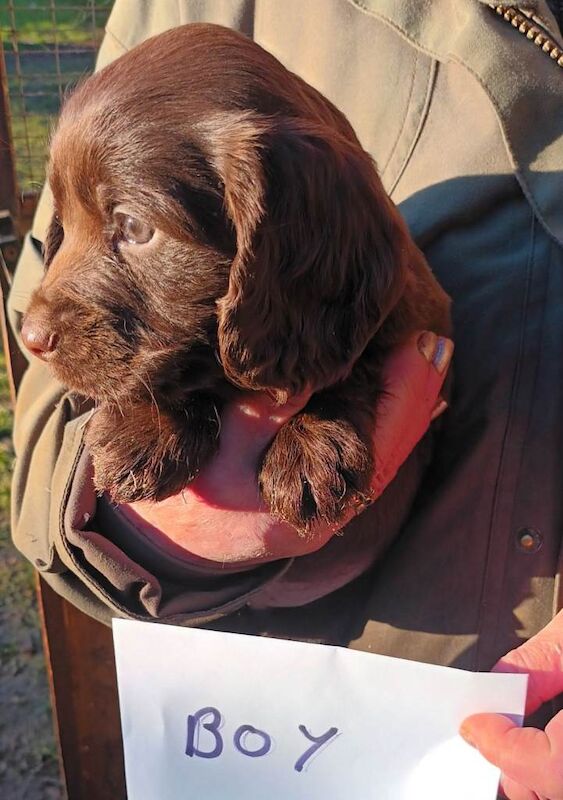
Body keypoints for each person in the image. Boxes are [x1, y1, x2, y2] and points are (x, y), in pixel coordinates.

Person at [8, 1, 563, 797]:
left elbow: (355, 309)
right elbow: (45, 471)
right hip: (314, 740)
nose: (40, 318)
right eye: (69, 224)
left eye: (131, 228)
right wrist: (158, 532)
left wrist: (339, 398)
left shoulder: (301, 217)